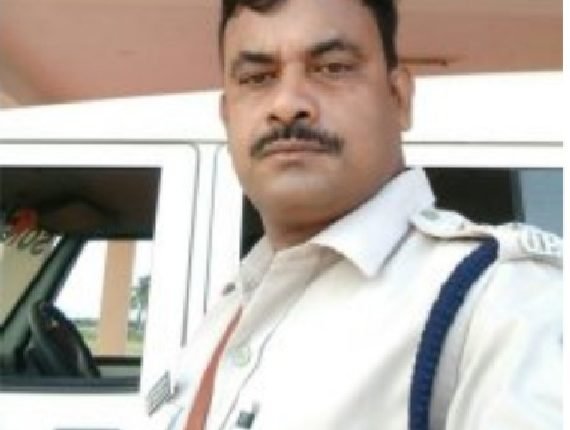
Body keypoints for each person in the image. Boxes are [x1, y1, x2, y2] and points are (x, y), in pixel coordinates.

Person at [148, 0, 562, 428]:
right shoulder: (230, 310)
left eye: (332, 68)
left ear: (399, 98)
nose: (287, 104)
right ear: (226, 115)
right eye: (257, 77)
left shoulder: (497, 303)